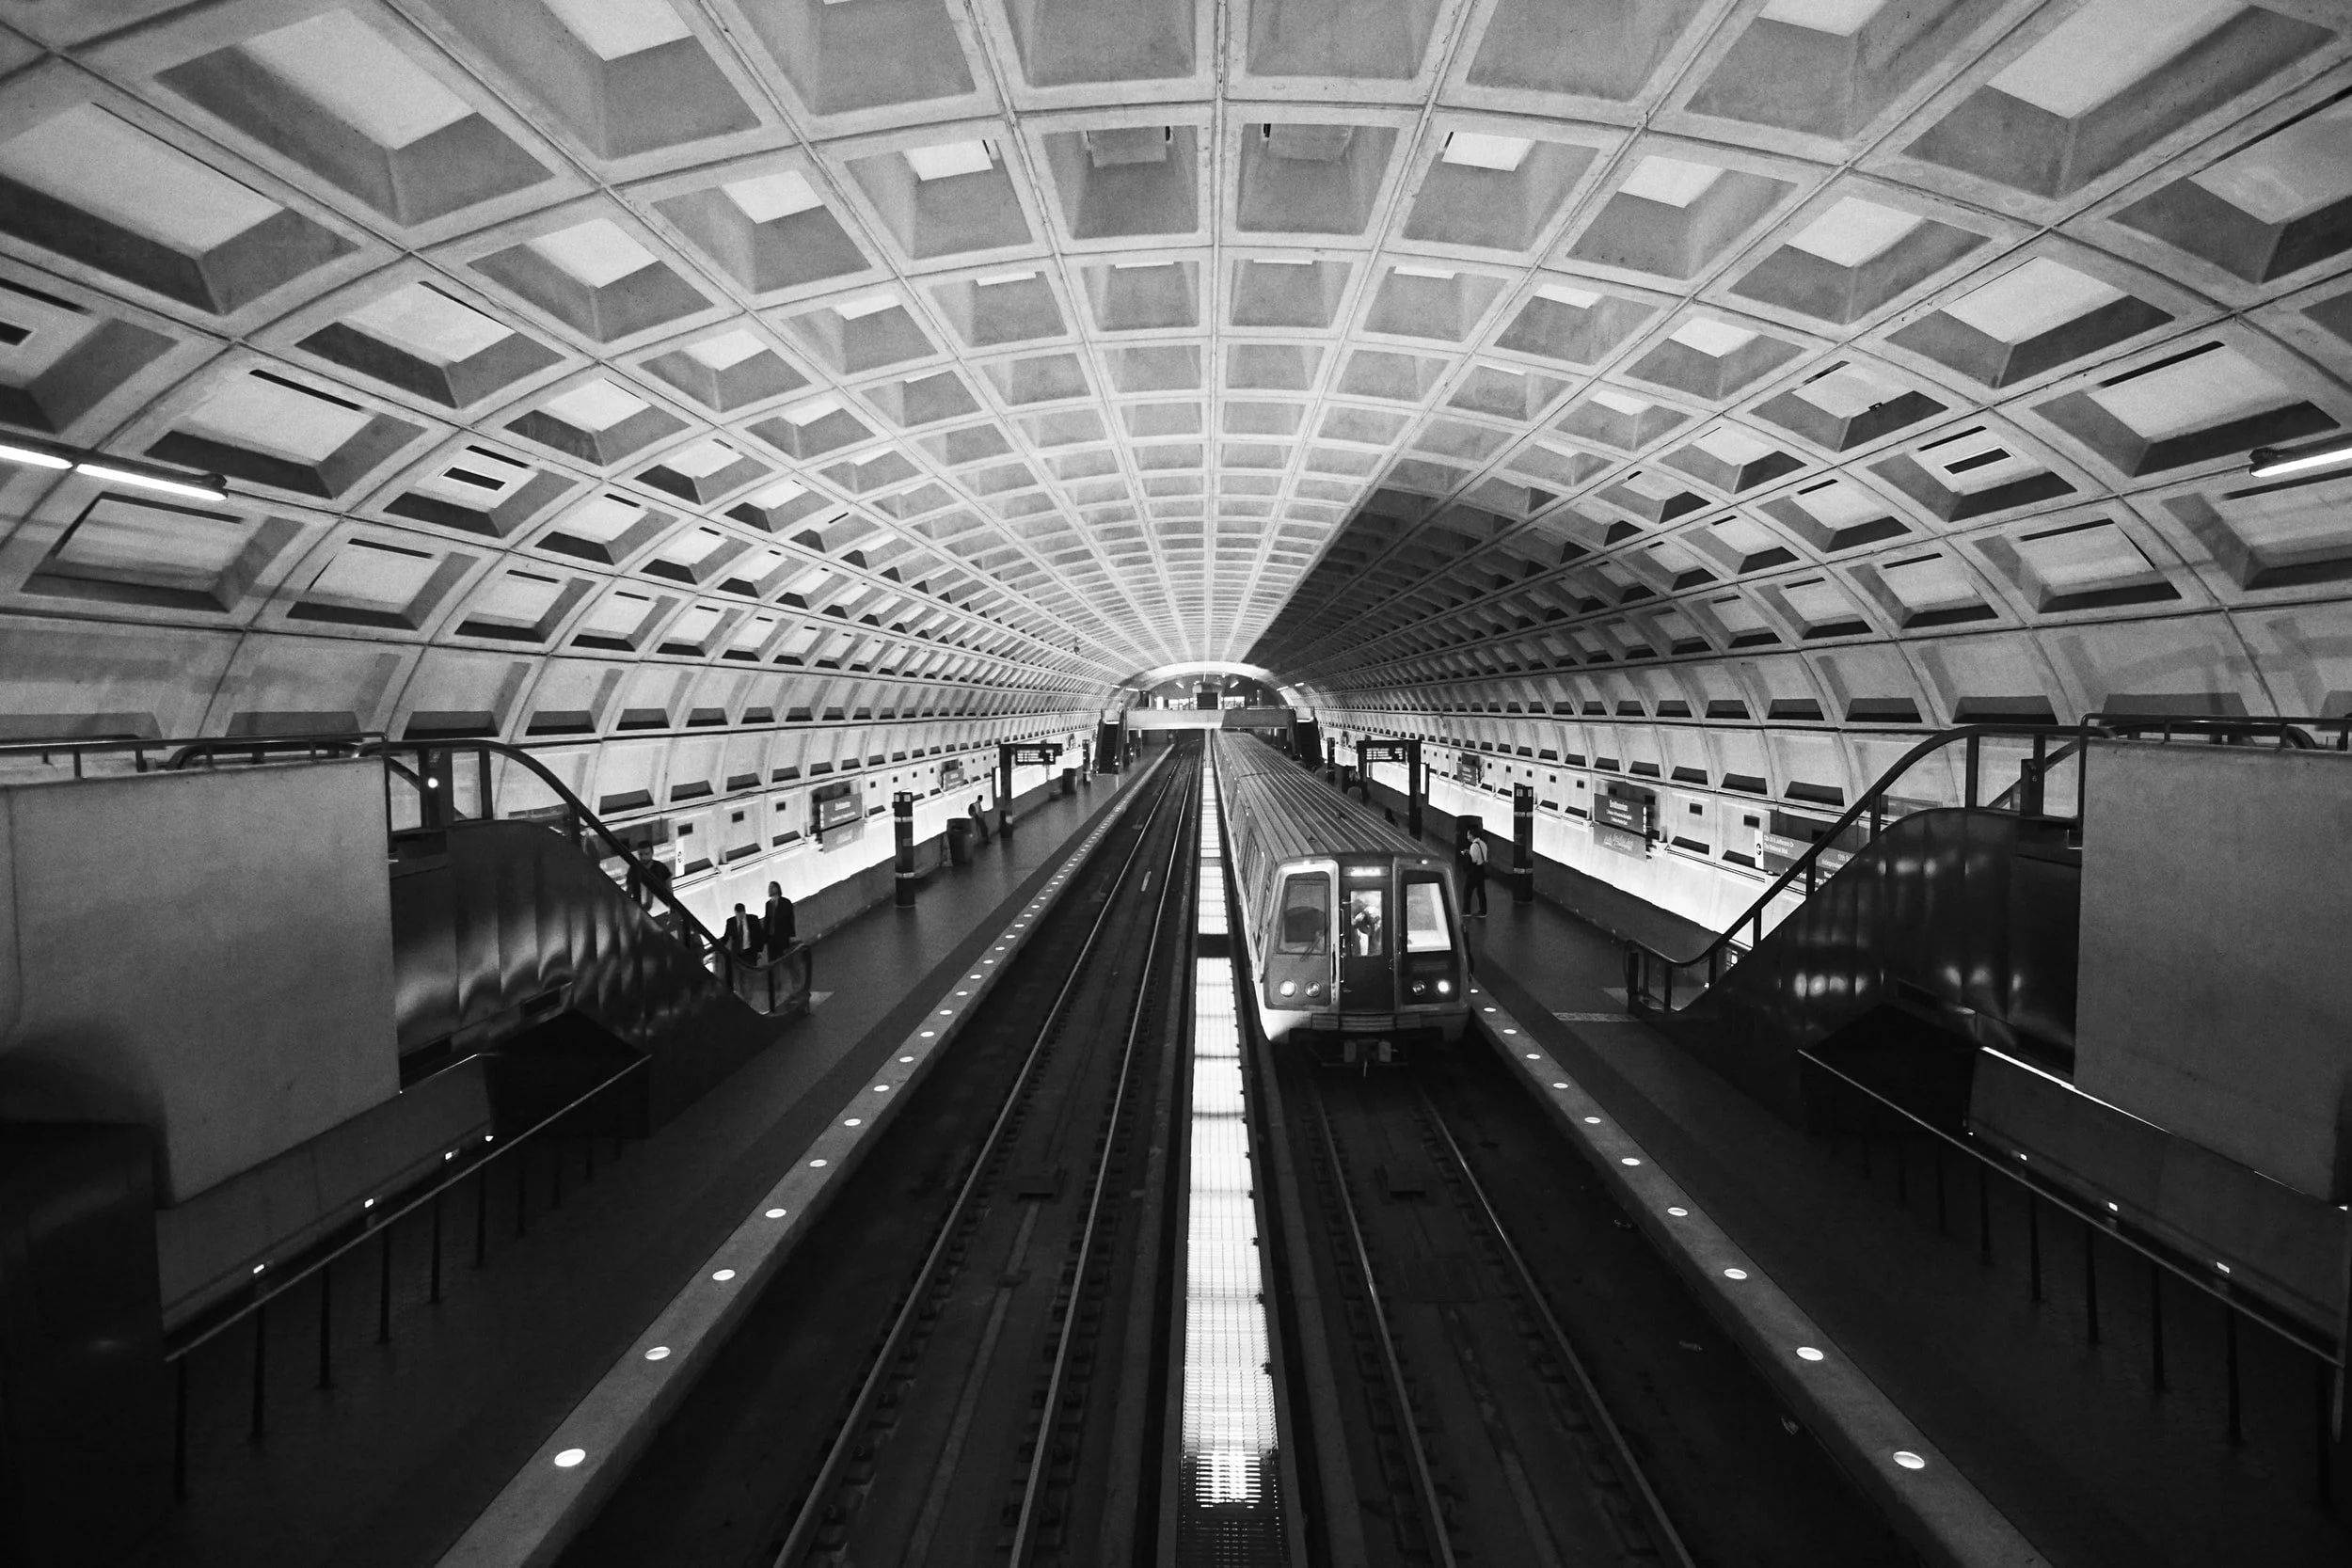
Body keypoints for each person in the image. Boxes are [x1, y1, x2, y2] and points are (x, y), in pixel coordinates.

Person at [764, 880, 796, 958]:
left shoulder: (785, 902)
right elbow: (767, 921)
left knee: (785, 959)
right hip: (771, 939)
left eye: (772, 887)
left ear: (777, 888)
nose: (770, 889)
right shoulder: (768, 904)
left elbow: (790, 919)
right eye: (769, 888)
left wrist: (792, 935)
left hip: (783, 937)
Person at [1463, 834, 1489, 919]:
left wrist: (1466, 854)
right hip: (1482, 869)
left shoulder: (1474, 845)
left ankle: (1467, 911)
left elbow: (1473, 859)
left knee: (1467, 891)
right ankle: (1483, 911)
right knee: (1481, 892)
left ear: (1472, 835)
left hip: (1474, 871)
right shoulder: (1483, 843)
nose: (1467, 836)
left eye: (1468, 834)